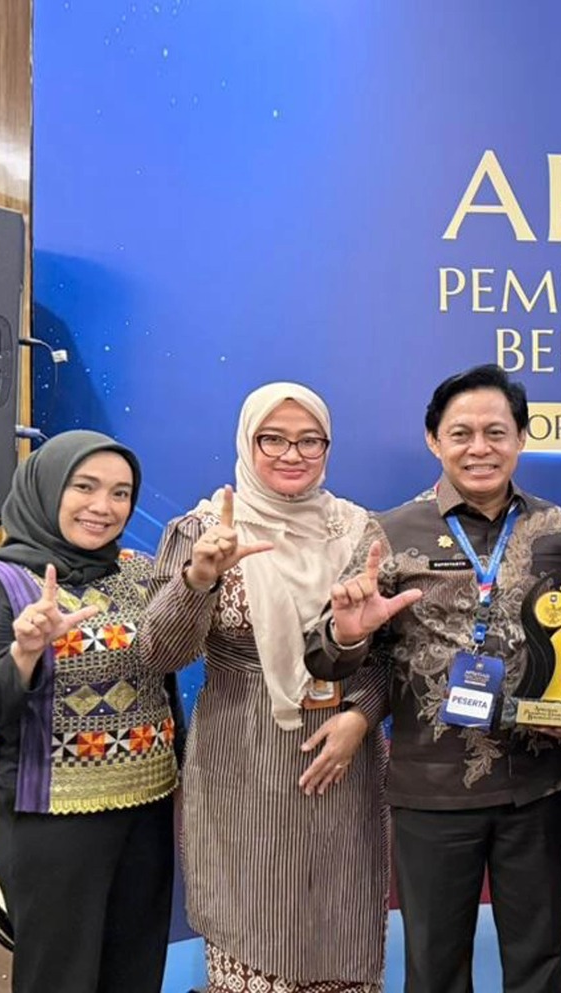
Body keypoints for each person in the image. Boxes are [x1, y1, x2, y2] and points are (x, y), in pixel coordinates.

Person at [308, 363, 561, 993]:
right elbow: (325, 658)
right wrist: (349, 633)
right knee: (435, 969)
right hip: (432, 791)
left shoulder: (555, 527)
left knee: (539, 965)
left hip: (538, 784)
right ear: (433, 440)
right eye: (461, 433)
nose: (480, 448)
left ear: (521, 437)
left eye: (496, 432)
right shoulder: (388, 533)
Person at [142, 382, 407, 991]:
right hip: (242, 760)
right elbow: (161, 652)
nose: (293, 454)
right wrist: (199, 579)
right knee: (253, 922)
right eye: (274, 439)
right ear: (247, 441)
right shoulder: (204, 530)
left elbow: (393, 652)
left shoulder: (360, 530)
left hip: (344, 759)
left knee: (341, 923)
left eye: (310, 441)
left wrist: (361, 717)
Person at [0, 430, 177, 993]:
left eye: (121, 493)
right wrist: (26, 653)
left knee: (135, 970)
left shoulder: (141, 571)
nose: (103, 506)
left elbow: (167, 671)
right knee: (62, 977)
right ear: (47, 487)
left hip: (146, 808)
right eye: (84, 486)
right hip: (52, 821)